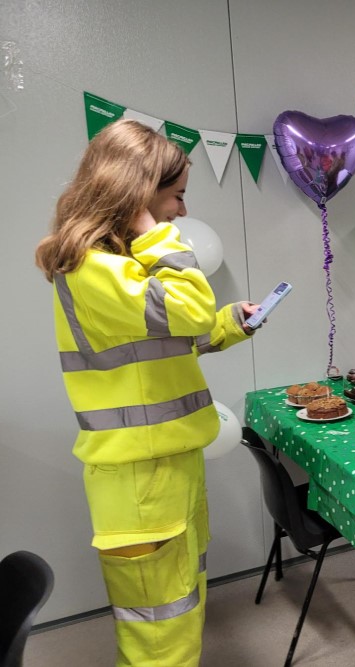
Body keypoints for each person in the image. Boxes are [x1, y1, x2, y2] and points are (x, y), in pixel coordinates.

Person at [35, 119, 259, 667]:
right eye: (176, 196)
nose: (181, 212)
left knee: (179, 610)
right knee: (158, 636)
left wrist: (231, 323)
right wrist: (155, 233)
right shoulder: (94, 269)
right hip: (142, 482)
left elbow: (166, 342)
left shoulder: (120, 267)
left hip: (166, 468)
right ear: (135, 196)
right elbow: (184, 309)